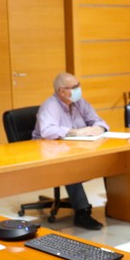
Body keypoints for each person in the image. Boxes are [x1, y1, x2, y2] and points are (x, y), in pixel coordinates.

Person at [31, 72, 107, 230]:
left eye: (78, 85)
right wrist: (77, 132)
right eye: (73, 87)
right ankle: (82, 213)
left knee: (112, 160)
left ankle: (118, 205)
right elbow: (47, 131)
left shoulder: (80, 103)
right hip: (46, 154)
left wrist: (98, 128)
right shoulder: (50, 105)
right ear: (61, 91)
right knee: (70, 168)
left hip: (75, 149)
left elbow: (98, 121)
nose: (78, 89)